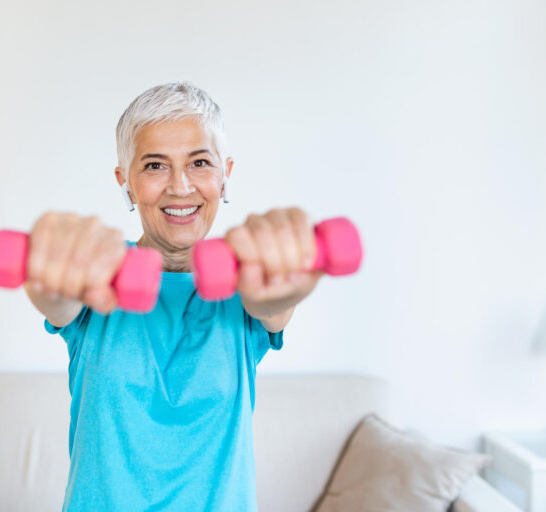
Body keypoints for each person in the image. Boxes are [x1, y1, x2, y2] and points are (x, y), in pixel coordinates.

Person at [23, 81, 325, 511]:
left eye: (200, 162)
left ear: (225, 175)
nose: (180, 187)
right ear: (124, 181)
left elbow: (273, 306)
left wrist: (289, 282)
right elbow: (58, 301)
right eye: (154, 166)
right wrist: (48, 275)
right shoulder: (97, 272)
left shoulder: (248, 278)